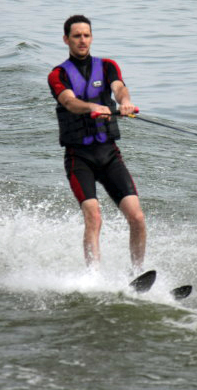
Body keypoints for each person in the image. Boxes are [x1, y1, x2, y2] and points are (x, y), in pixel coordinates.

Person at [48, 15, 146, 273]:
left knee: (137, 217)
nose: (82, 40)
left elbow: (119, 88)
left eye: (86, 35)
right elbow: (69, 102)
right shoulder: (58, 74)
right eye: (77, 35)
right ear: (66, 39)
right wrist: (92, 107)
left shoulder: (107, 66)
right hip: (79, 158)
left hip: (109, 155)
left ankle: (138, 274)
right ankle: (94, 278)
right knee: (94, 216)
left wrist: (124, 101)